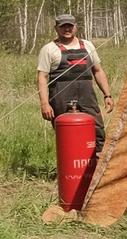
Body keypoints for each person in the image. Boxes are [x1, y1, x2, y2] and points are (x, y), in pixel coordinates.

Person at [36, 13, 112, 159]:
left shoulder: (88, 45)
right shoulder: (49, 49)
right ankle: (70, 167)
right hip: (60, 95)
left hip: (87, 94)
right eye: (63, 26)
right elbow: (42, 77)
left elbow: (98, 71)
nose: (67, 29)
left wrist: (107, 95)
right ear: (56, 28)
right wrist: (45, 104)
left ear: (75, 27)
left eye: (70, 26)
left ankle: (98, 169)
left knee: (97, 129)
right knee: (66, 132)